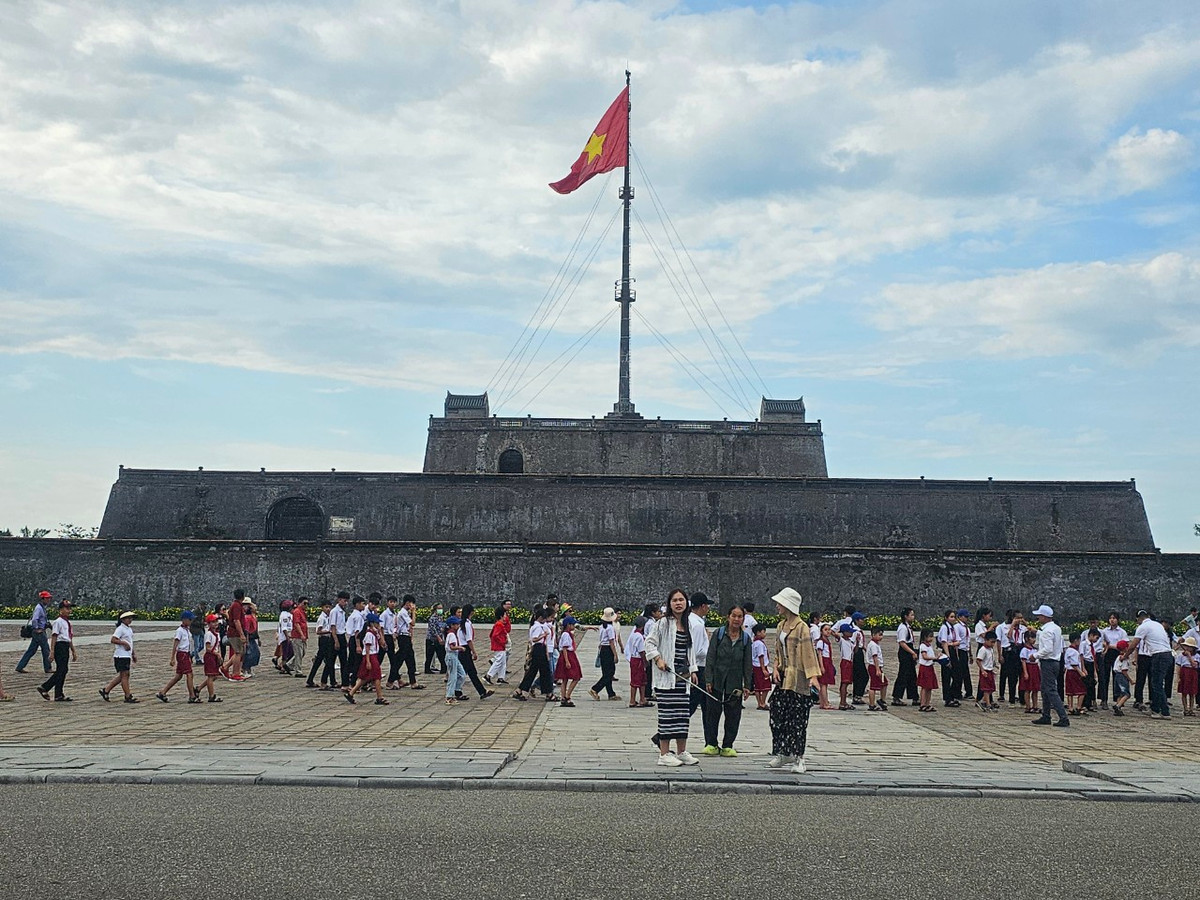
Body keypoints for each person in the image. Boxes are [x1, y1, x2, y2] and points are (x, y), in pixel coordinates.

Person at [765, 587, 822, 774]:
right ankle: (784, 751)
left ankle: (799, 757)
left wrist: (813, 676)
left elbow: (808, 653)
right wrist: (775, 667)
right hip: (783, 678)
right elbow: (778, 650)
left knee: (797, 719)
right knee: (777, 712)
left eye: (780, 603)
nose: (777, 606)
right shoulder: (781, 626)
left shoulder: (801, 627)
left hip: (798, 680)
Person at [645, 588, 699, 767]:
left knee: (682, 716)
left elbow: (690, 651)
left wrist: (693, 670)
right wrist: (658, 659)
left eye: (681, 600)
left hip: (683, 679)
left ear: (686, 603)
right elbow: (649, 643)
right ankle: (664, 753)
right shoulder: (663, 624)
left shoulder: (688, 624)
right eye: (674, 600)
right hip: (666, 677)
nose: (678, 603)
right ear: (669, 604)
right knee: (667, 716)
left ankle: (682, 751)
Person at [703, 605, 753, 757]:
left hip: (735, 681)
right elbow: (710, 658)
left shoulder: (745, 639)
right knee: (712, 712)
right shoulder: (719, 634)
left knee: (733, 714)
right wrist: (708, 679)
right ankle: (711, 743)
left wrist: (747, 685)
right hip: (717, 679)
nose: (737, 619)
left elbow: (747, 664)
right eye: (734, 616)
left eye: (740, 617)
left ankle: (727, 745)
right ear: (728, 617)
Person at [1129, 609, 1174, 719]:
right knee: (1157, 683)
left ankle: (1163, 711)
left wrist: (1125, 656)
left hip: (1158, 655)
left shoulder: (1142, 627)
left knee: (1157, 684)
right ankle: (1156, 708)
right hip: (1167, 654)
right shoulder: (1157, 625)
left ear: (1139, 619)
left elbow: (1133, 644)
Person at [1031, 605, 1069, 727]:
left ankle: (1063, 716)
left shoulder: (1047, 631)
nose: (1038, 618)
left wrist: (1035, 655)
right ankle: (1046, 715)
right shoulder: (1055, 628)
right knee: (1045, 689)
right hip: (1055, 661)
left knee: (1051, 690)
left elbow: (1047, 649)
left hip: (1048, 661)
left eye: (1040, 616)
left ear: (1044, 617)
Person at [36, 601, 78, 702]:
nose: (69, 611)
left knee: (63, 670)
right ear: (61, 610)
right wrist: (52, 651)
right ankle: (47, 688)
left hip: (65, 646)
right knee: (62, 669)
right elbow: (54, 636)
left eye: (69, 609)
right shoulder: (58, 622)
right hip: (59, 646)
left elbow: (69, 638)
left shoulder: (67, 622)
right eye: (67, 608)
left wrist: (73, 650)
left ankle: (57, 693)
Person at [514, 605, 555, 702]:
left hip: (540, 649)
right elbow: (534, 639)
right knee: (545, 671)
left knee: (533, 671)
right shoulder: (537, 627)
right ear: (541, 618)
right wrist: (543, 635)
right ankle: (549, 693)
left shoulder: (540, 625)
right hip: (538, 649)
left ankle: (521, 690)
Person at [155, 610, 198, 704]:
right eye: (190, 620)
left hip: (186, 653)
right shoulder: (180, 631)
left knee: (178, 676)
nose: (191, 622)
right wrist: (172, 657)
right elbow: (176, 644)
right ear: (184, 620)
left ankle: (163, 692)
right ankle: (192, 695)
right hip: (182, 654)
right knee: (189, 674)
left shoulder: (187, 630)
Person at [345, 613, 387, 705]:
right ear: (372, 623)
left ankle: (351, 693)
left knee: (364, 678)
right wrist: (368, 661)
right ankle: (380, 697)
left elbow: (381, 642)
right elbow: (367, 648)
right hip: (370, 656)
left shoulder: (374, 633)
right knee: (377, 677)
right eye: (377, 623)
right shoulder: (369, 634)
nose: (378, 625)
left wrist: (380, 632)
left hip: (373, 655)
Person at [100, 610, 139, 703]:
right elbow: (113, 639)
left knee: (123, 675)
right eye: (128, 618)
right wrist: (123, 643)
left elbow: (130, 643)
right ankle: (127, 695)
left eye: (131, 618)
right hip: (120, 655)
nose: (130, 620)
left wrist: (133, 653)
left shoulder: (128, 629)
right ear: (122, 619)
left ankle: (106, 690)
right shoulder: (120, 629)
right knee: (124, 675)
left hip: (126, 655)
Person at [456, 605, 493, 700]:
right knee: (467, 673)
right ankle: (458, 691)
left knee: (467, 672)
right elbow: (469, 640)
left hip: (463, 649)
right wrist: (474, 652)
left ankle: (481, 691)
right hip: (465, 649)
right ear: (471, 612)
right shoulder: (466, 624)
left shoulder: (463, 623)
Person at [589, 607, 623, 701]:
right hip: (608, 650)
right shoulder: (610, 628)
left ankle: (611, 693)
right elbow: (611, 642)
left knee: (606, 672)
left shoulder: (602, 627)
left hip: (603, 649)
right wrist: (615, 654)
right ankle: (595, 688)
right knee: (610, 672)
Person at [15, 590, 53, 675]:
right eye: (47, 598)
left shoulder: (42, 607)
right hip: (39, 632)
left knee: (31, 650)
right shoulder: (39, 608)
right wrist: (36, 629)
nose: (48, 600)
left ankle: (20, 666)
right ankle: (48, 668)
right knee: (46, 650)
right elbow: (35, 619)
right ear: (42, 599)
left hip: (39, 632)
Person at [1098, 611, 1128, 710]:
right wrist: (1110, 646)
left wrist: (1114, 647)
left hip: (1117, 654)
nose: (1112, 620)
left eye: (1114, 618)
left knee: (1118, 677)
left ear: (1118, 620)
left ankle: (1118, 699)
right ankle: (1103, 699)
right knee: (1104, 677)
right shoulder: (1104, 631)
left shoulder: (1122, 632)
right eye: (1110, 618)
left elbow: (1125, 644)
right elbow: (1101, 642)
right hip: (1107, 653)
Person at [891, 607, 918, 706]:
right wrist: (912, 652)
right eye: (911, 615)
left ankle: (914, 696)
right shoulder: (902, 628)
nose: (913, 617)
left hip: (909, 649)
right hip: (905, 651)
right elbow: (902, 643)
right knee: (903, 674)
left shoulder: (908, 627)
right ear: (906, 616)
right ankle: (897, 696)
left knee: (912, 675)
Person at [307, 599, 336, 689]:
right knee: (325, 660)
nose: (328, 609)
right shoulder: (322, 618)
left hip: (328, 639)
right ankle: (327, 680)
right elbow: (318, 631)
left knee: (325, 661)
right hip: (324, 639)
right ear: (322, 608)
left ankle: (331, 680)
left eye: (329, 607)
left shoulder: (329, 616)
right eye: (326, 607)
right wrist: (329, 631)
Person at [554, 616, 583, 707]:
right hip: (568, 655)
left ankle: (563, 697)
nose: (574, 626)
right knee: (576, 677)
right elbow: (565, 648)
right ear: (568, 625)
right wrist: (567, 661)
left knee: (565, 678)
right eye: (572, 624)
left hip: (566, 655)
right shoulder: (566, 634)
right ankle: (567, 696)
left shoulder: (567, 634)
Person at [937, 610, 962, 707]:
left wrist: (951, 644)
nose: (953, 618)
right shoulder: (944, 628)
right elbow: (944, 642)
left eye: (954, 617)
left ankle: (953, 695)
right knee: (947, 676)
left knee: (957, 675)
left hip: (953, 650)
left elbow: (958, 641)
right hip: (947, 652)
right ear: (946, 618)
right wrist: (948, 656)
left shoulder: (953, 628)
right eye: (951, 617)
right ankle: (948, 698)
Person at [222, 589, 247, 681]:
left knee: (240, 651)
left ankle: (225, 667)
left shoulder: (236, 605)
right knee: (238, 653)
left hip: (235, 632)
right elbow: (236, 621)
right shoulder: (236, 606)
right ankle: (235, 673)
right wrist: (241, 634)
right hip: (235, 633)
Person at [397, 595, 422, 688]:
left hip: (406, 637)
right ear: (407, 603)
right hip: (403, 637)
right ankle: (392, 679)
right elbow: (413, 623)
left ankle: (413, 682)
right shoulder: (403, 612)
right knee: (400, 660)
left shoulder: (405, 612)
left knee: (410, 659)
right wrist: (413, 611)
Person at [485, 602, 512, 685]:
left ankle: (501, 677)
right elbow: (494, 636)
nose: (505, 617)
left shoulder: (499, 624)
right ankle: (488, 675)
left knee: (503, 661)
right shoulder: (499, 625)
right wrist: (503, 641)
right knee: (498, 661)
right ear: (501, 616)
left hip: (501, 646)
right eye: (504, 615)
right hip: (499, 646)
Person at [626, 617, 649, 708]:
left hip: (633, 658)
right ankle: (632, 700)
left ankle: (642, 698)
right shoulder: (639, 636)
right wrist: (645, 661)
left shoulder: (633, 635)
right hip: (638, 659)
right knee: (636, 681)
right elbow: (641, 651)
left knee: (642, 680)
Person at [200, 614, 223, 702]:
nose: (215, 623)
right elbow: (208, 648)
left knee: (214, 675)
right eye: (213, 622)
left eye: (216, 621)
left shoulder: (217, 634)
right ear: (209, 624)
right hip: (210, 656)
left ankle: (199, 688)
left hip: (215, 655)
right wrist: (217, 654)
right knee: (210, 676)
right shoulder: (209, 634)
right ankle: (211, 695)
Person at [444, 615, 465, 705]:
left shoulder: (452, 633)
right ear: (452, 625)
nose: (458, 626)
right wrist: (460, 647)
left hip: (454, 656)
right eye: (456, 624)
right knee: (453, 676)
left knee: (462, 674)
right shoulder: (451, 634)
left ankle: (456, 690)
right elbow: (452, 647)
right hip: (451, 655)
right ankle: (449, 696)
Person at [750, 623, 772, 711]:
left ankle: (760, 703)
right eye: (763, 632)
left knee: (758, 686)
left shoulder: (754, 643)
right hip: (760, 666)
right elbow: (761, 656)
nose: (765, 633)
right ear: (758, 632)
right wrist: (763, 669)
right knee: (765, 686)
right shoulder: (759, 644)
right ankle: (762, 703)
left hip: (755, 666)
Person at [865, 626, 888, 711]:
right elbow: (875, 657)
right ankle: (872, 704)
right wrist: (877, 669)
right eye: (879, 635)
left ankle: (882, 700)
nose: (881, 637)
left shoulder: (876, 644)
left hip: (878, 667)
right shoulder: (873, 645)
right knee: (873, 686)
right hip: (874, 667)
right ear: (873, 635)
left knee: (884, 683)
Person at [1064, 633, 1087, 715]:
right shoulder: (1073, 651)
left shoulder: (1068, 650)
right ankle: (1078, 707)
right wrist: (1081, 672)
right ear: (1076, 640)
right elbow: (1074, 664)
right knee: (1082, 690)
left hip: (1069, 672)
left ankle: (1070, 707)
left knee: (1070, 691)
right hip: (1074, 672)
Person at [916, 629, 938, 712]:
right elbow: (925, 656)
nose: (931, 638)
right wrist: (934, 658)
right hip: (925, 667)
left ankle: (927, 703)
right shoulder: (923, 646)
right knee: (924, 687)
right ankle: (922, 704)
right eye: (930, 636)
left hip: (930, 667)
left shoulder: (929, 646)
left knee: (929, 687)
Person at [380, 596, 400, 688]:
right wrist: (382, 640)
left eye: (394, 602)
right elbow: (381, 628)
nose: (393, 604)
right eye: (391, 602)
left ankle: (395, 680)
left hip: (391, 637)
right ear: (387, 603)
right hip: (385, 637)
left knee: (393, 661)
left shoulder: (394, 613)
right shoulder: (384, 614)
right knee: (381, 660)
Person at [850, 612, 870, 704]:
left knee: (859, 675)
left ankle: (857, 695)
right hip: (857, 654)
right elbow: (853, 645)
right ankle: (857, 695)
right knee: (862, 675)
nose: (863, 621)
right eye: (861, 619)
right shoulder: (854, 631)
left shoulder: (858, 631)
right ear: (857, 620)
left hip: (860, 651)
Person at [1020, 630, 1041, 714]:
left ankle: (1035, 706)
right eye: (1032, 637)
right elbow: (1023, 661)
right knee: (1027, 689)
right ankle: (1028, 706)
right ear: (1026, 639)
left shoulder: (1034, 649)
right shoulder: (1024, 650)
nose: (1034, 639)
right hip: (1029, 668)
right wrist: (1025, 672)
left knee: (1035, 689)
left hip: (1035, 668)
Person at [815, 623, 836, 710]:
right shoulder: (821, 642)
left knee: (823, 684)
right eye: (826, 630)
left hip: (828, 661)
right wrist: (822, 666)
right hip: (824, 661)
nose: (828, 631)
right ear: (821, 631)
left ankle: (822, 702)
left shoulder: (826, 641)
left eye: (829, 630)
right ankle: (825, 702)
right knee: (823, 684)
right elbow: (819, 654)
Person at [976, 630, 998, 710]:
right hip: (985, 670)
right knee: (986, 688)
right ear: (986, 640)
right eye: (991, 642)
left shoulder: (991, 649)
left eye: (994, 642)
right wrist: (982, 670)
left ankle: (983, 700)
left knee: (991, 688)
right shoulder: (983, 650)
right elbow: (978, 660)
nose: (993, 644)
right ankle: (988, 704)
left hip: (990, 670)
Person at [1176, 636, 1198, 717]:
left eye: (1190, 647)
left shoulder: (1196, 656)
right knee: (1184, 692)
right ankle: (1185, 709)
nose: (1188, 648)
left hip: (1192, 673)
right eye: (1186, 646)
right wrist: (1178, 677)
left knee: (1192, 693)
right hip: (1184, 673)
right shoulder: (1180, 656)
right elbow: (1178, 667)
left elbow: (1195, 665)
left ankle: (1191, 709)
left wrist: (1189, 657)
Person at [836, 624, 856, 711]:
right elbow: (835, 634)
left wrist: (858, 642)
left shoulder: (850, 641)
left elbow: (854, 651)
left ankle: (844, 701)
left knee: (847, 682)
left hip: (850, 661)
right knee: (844, 682)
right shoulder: (842, 640)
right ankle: (842, 702)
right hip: (845, 661)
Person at [425, 602, 447, 675]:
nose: (441, 610)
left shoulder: (441, 618)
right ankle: (427, 668)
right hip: (432, 639)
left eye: (441, 608)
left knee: (441, 654)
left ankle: (444, 668)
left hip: (440, 638)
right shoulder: (432, 618)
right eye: (439, 608)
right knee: (430, 655)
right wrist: (439, 638)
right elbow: (433, 630)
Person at [1111, 640, 1132, 716]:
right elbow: (1124, 671)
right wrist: (1131, 680)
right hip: (1121, 676)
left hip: (1116, 675)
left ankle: (1118, 708)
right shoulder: (1124, 659)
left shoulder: (1117, 657)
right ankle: (1118, 706)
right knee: (1126, 694)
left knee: (1119, 693)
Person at [290, 597, 309, 679]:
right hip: (297, 636)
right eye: (304, 603)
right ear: (299, 603)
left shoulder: (303, 612)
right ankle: (298, 671)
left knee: (303, 652)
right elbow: (296, 624)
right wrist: (301, 634)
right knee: (299, 653)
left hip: (303, 635)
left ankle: (289, 664)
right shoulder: (297, 612)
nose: (306, 605)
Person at [275, 600, 294, 675]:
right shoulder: (284, 615)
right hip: (285, 636)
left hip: (288, 635)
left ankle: (282, 665)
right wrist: (287, 636)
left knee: (290, 652)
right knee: (286, 652)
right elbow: (284, 627)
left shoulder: (288, 614)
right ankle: (283, 665)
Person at [242, 600, 261, 677]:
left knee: (255, 654)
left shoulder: (254, 617)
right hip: (249, 638)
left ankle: (249, 668)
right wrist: (246, 641)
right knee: (248, 654)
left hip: (253, 637)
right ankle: (244, 669)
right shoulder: (248, 617)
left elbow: (256, 629)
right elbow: (246, 630)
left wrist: (258, 638)